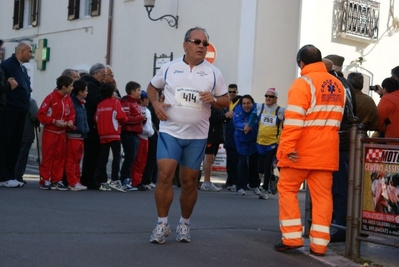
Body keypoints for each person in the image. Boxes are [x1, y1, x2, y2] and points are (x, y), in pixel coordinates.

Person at [147, 26, 228, 244]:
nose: (202, 46)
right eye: (197, 42)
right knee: (164, 175)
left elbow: (225, 100)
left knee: (189, 182)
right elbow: (152, 88)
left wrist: (213, 99)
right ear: (185, 45)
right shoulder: (169, 68)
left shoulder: (213, 72)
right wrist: (155, 105)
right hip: (170, 131)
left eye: (205, 43)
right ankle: (162, 223)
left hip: (197, 136)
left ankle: (184, 223)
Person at [274, 45, 345, 256]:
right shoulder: (337, 85)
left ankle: (292, 237)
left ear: (302, 64)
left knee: (287, 190)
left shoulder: (303, 83)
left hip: (301, 151)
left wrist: (285, 149)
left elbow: (294, 121)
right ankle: (320, 244)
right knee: (323, 197)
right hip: (327, 150)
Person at [322, 55, 357, 243]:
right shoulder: (344, 83)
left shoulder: (335, 83)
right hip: (340, 141)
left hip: (338, 142)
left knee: (339, 187)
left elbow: (346, 114)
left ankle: (340, 226)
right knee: (339, 187)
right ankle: (338, 224)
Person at [0, 42, 32, 188]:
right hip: (10, 110)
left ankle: (11, 175)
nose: (31, 55)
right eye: (30, 52)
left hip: (20, 110)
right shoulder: (7, 66)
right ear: (22, 51)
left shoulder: (23, 69)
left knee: (15, 144)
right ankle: (4, 176)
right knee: (6, 144)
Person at [37, 76, 75, 190]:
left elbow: (72, 112)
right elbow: (41, 115)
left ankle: (56, 179)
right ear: (64, 87)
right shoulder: (50, 97)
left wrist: (70, 121)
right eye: (71, 86)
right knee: (48, 156)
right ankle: (45, 179)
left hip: (62, 132)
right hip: (50, 132)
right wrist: (53, 121)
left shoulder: (68, 98)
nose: (72, 88)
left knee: (60, 157)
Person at [94, 83, 128, 192]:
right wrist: (123, 122)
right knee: (116, 157)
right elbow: (121, 117)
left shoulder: (100, 104)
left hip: (102, 134)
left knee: (103, 158)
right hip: (114, 133)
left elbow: (96, 118)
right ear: (111, 92)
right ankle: (114, 180)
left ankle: (102, 181)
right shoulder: (116, 102)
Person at [254, 88, 284, 197]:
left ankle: (265, 189)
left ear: (276, 98)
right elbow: (253, 116)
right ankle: (273, 178)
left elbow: (287, 125)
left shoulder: (281, 110)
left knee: (267, 166)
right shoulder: (259, 107)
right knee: (261, 167)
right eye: (266, 96)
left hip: (273, 142)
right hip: (261, 141)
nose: (268, 98)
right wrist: (248, 125)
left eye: (271, 96)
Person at [80, 63, 106, 189]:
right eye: (103, 75)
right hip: (91, 124)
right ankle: (88, 179)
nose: (104, 78)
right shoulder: (90, 85)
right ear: (95, 73)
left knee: (94, 153)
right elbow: (97, 101)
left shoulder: (95, 85)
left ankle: (91, 179)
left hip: (93, 124)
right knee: (91, 153)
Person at [233, 95, 263, 198]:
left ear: (252, 103)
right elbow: (236, 122)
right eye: (244, 103)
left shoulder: (257, 109)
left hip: (254, 141)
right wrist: (245, 126)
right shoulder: (238, 110)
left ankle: (254, 185)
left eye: (248, 103)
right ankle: (240, 187)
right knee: (243, 163)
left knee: (254, 164)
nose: (246, 105)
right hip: (241, 141)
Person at [120, 81, 145, 190]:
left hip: (135, 133)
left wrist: (143, 120)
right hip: (128, 133)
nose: (140, 92)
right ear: (132, 91)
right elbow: (126, 119)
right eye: (138, 90)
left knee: (132, 159)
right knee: (129, 158)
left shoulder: (135, 103)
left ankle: (127, 180)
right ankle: (124, 181)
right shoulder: (126, 103)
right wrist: (140, 118)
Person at [64, 79, 89, 191]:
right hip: (73, 135)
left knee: (77, 160)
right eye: (86, 90)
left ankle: (77, 180)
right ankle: (72, 182)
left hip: (80, 136)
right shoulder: (72, 102)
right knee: (72, 160)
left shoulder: (82, 103)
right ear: (80, 91)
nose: (87, 92)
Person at [131, 90, 154, 191]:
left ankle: (140, 180)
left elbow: (149, 124)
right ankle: (135, 181)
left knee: (143, 161)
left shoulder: (148, 110)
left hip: (146, 138)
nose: (148, 101)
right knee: (138, 160)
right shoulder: (138, 109)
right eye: (146, 99)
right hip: (140, 136)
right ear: (141, 100)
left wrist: (151, 132)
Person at [14, 95, 39, 184]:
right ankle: (17, 176)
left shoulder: (13, 100)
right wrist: (37, 123)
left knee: (13, 154)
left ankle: (10, 175)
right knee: (22, 156)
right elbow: (35, 115)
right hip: (26, 132)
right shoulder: (31, 101)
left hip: (13, 132)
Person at [142, 92, 164, 190]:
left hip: (154, 136)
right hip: (152, 136)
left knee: (153, 160)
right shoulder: (151, 109)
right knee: (150, 159)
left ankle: (150, 179)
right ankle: (146, 180)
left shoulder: (153, 108)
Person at [200, 106, 226, 192]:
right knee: (209, 159)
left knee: (211, 159)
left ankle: (208, 181)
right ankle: (206, 182)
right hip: (210, 135)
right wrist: (225, 116)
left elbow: (221, 119)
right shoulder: (210, 105)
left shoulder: (220, 107)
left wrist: (226, 117)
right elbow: (211, 118)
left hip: (216, 136)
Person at [223, 84, 241, 192]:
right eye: (230, 92)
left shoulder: (240, 102)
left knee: (236, 160)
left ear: (237, 92)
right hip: (228, 135)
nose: (231, 94)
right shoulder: (226, 103)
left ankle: (236, 182)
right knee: (229, 160)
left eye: (233, 92)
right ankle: (230, 181)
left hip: (237, 135)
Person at [377, 77, 399, 141]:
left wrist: (382, 129)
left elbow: (378, 120)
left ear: (385, 89)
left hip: (393, 141)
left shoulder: (387, 99)